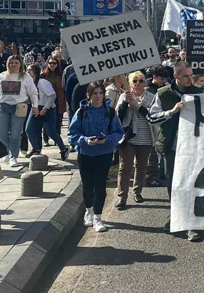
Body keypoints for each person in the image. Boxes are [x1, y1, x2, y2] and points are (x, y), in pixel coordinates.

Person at [147, 61, 204, 241]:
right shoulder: (163, 94)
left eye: (191, 75)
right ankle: (177, 215)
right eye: (186, 76)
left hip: (194, 147)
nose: (190, 79)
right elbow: (151, 117)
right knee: (174, 184)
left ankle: (190, 222)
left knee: (192, 183)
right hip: (171, 147)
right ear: (176, 76)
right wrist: (171, 112)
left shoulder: (199, 92)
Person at [68, 80, 124, 233]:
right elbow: (72, 134)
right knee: (87, 186)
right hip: (85, 154)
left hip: (104, 154)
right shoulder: (81, 112)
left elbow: (119, 132)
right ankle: (89, 211)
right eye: (95, 93)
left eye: (101, 93)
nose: (98, 96)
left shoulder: (110, 111)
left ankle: (98, 217)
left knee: (100, 186)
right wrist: (85, 140)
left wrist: (108, 139)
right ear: (89, 95)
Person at [115, 71, 158, 209]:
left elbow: (153, 115)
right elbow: (118, 116)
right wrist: (125, 104)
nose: (138, 83)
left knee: (141, 166)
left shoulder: (152, 97)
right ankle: (122, 196)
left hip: (145, 137)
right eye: (135, 81)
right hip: (129, 138)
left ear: (145, 82)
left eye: (141, 81)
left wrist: (137, 105)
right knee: (125, 167)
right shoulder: (124, 95)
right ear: (130, 83)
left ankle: (137, 191)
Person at [0, 55, 38, 167]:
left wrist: (35, 106)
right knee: (2, 134)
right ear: (8, 64)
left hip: (19, 107)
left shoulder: (25, 77)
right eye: (11, 62)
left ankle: (13, 156)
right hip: (3, 107)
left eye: (16, 62)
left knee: (16, 133)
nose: (13, 65)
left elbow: (33, 93)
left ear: (20, 64)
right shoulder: (2, 76)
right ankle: (8, 150)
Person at [24, 64, 68, 160]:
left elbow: (52, 96)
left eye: (30, 70)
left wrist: (45, 108)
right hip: (35, 108)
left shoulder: (43, 82)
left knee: (51, 132)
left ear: (35, 71)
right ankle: (36, 149)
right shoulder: (28, 83)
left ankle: (63, 149)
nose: (27, 72)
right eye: (27, 70)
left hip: (48, 109)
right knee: (29, 129)